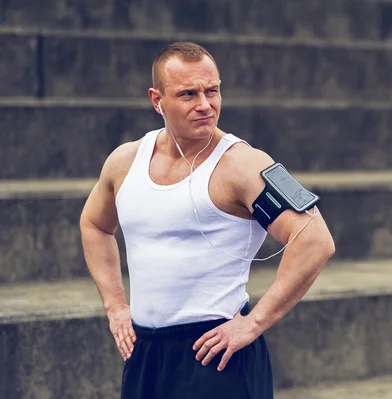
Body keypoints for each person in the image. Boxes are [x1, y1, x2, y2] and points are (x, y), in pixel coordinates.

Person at [80, 41, 335, 398]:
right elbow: (95, 225)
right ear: (157, 100)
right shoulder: (125, 161)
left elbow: (315, 240)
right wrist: (115, 306)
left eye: (212, 91)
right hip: (145, 354)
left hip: (215, 355)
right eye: (188, 94)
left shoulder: (244, 165)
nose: (204, 105)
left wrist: (254, 323)